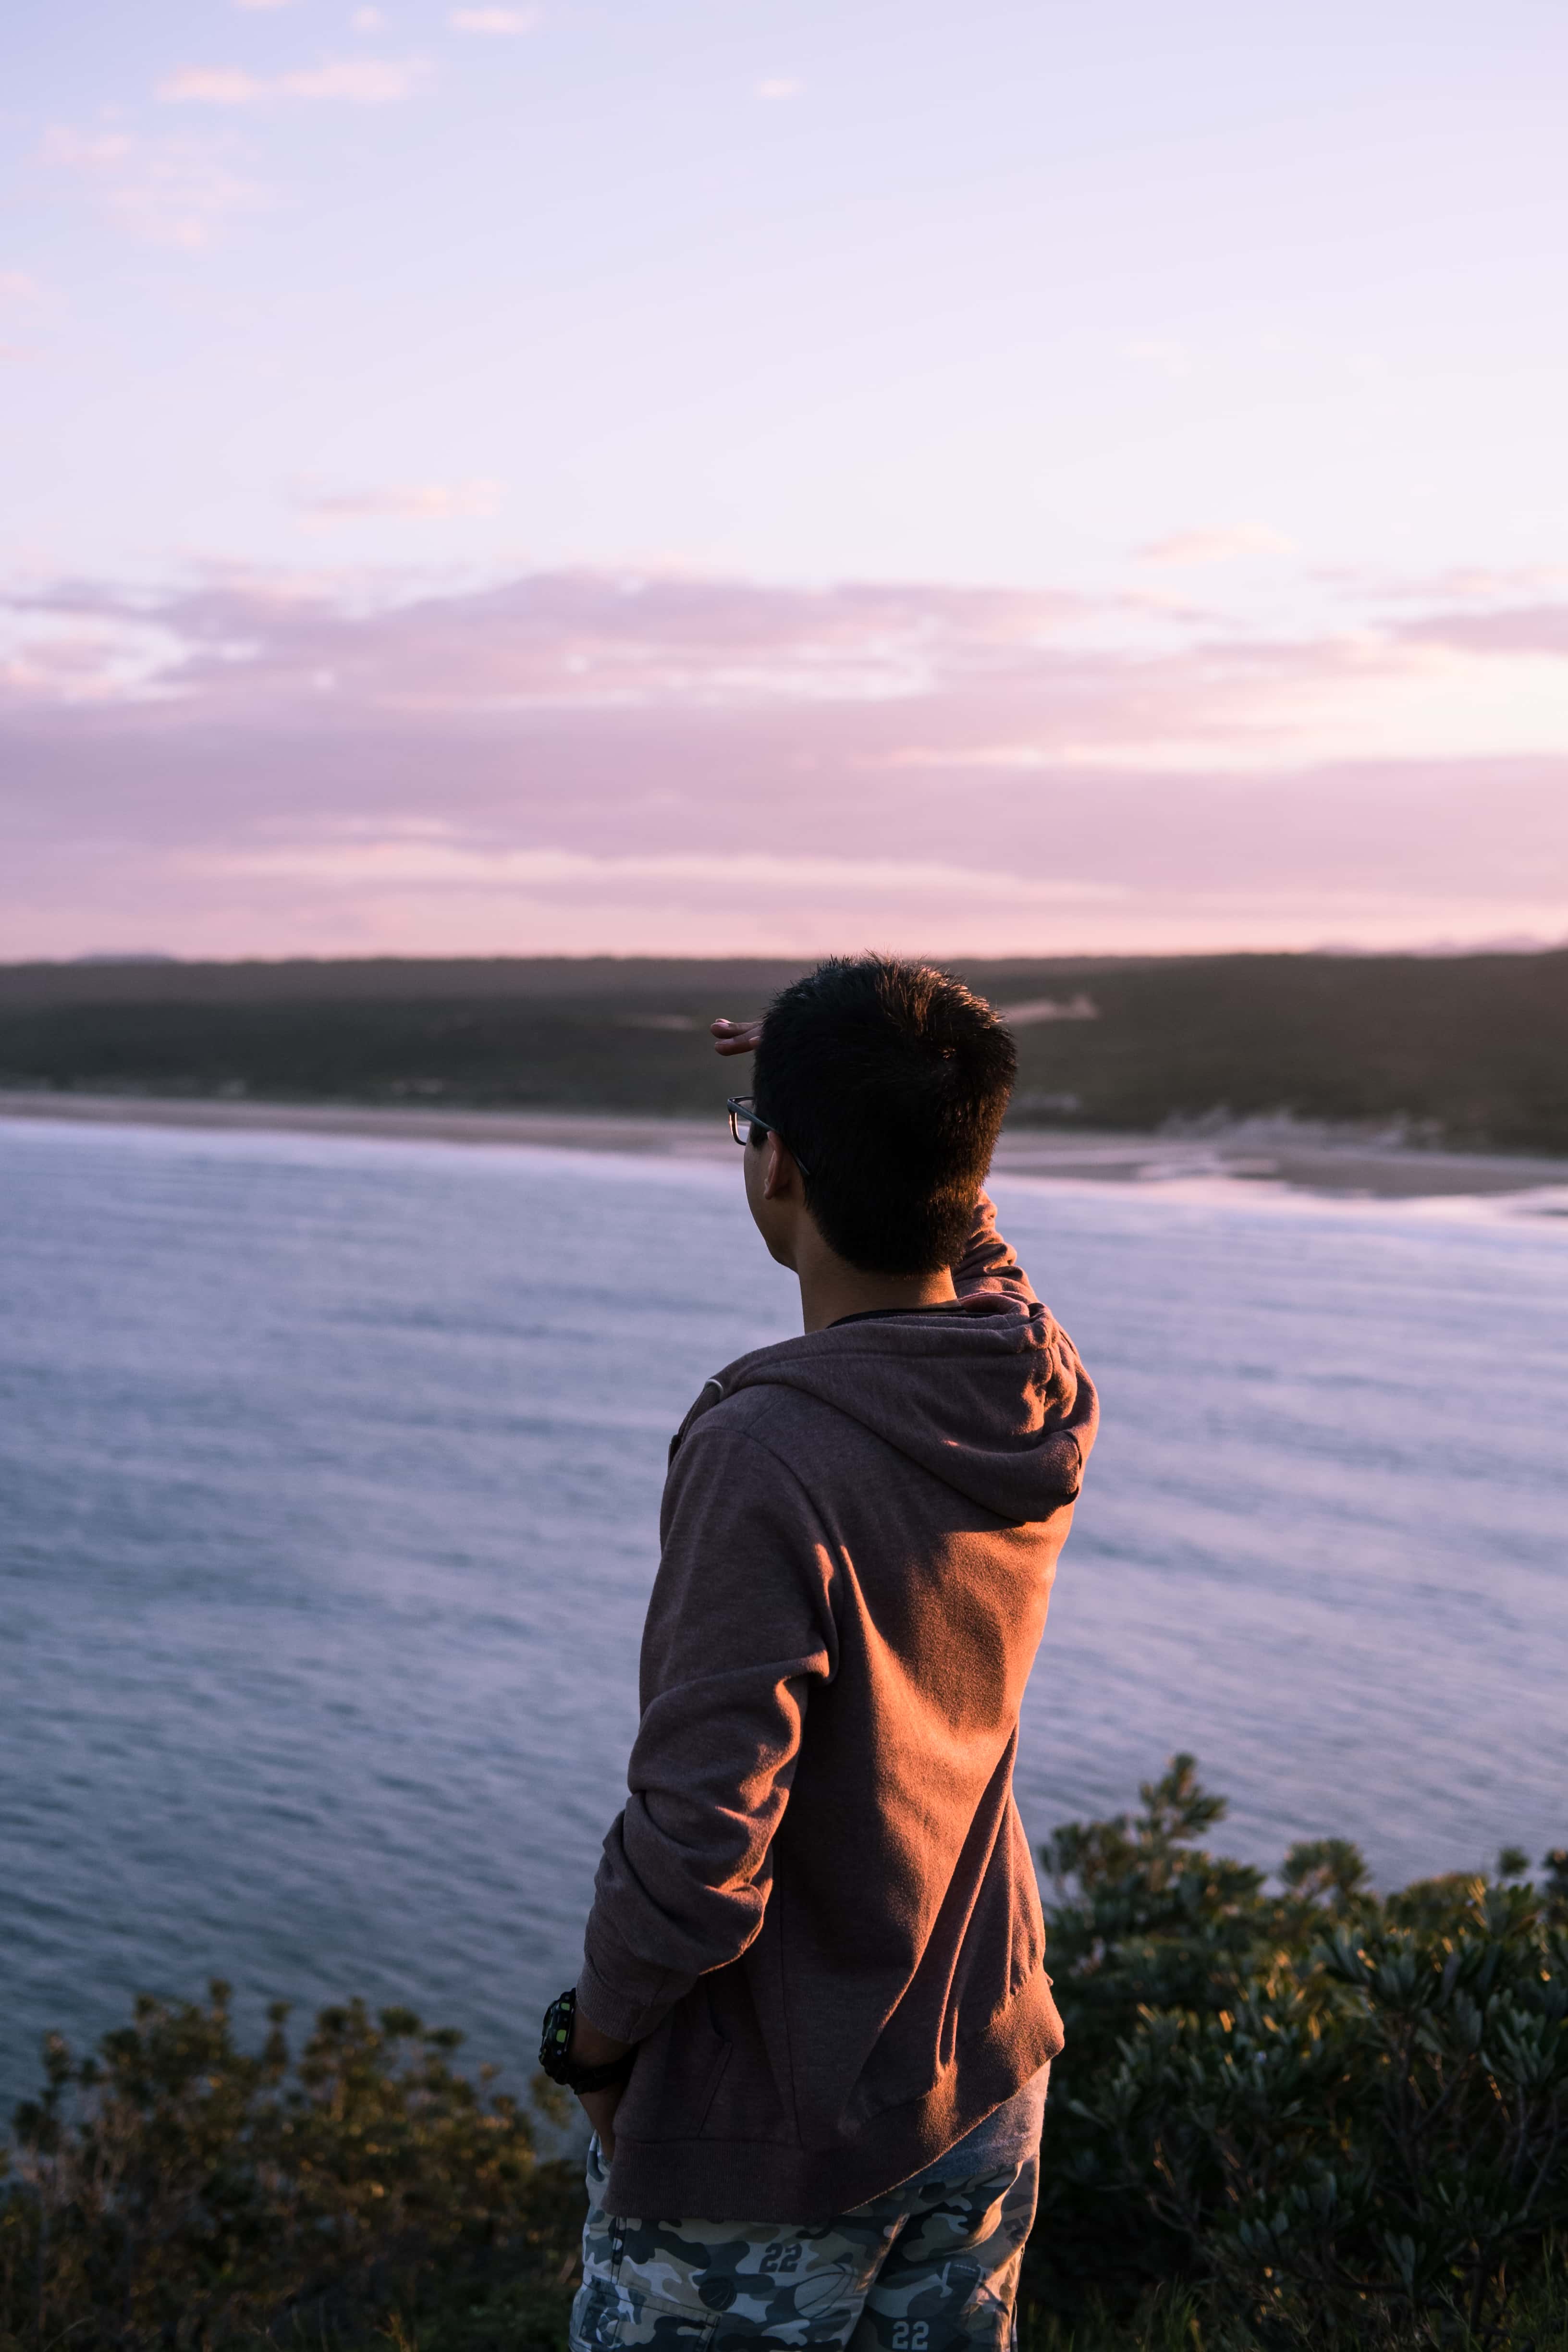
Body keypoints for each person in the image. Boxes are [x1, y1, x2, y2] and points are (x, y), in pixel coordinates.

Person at [539, 955, 1099, 2352]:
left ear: (776, 1165)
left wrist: (595, 2043)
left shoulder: (768, 1451)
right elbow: (969, 1229)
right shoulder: (1031, 1381)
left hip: (776, 2139)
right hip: (983, 2075)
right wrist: (876, 1082)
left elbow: (700, 1834)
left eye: (755, 1131)